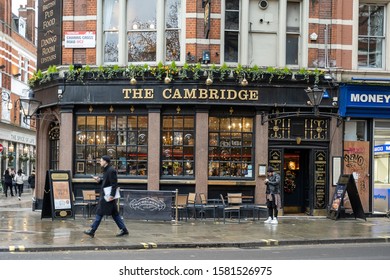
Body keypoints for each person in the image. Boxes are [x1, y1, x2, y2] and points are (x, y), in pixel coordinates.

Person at [83, 155, 129, 238]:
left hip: (107, 196)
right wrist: (99, 180)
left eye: (101, 161)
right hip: (106, 195)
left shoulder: (111, 170)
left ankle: (92, 230)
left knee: (99, 212)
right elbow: (106, 182)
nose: (100, 162)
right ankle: (124, 230)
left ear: (105, 161)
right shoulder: (106, 170)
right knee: (115, 214)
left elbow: (114, 184)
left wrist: (112, 195)